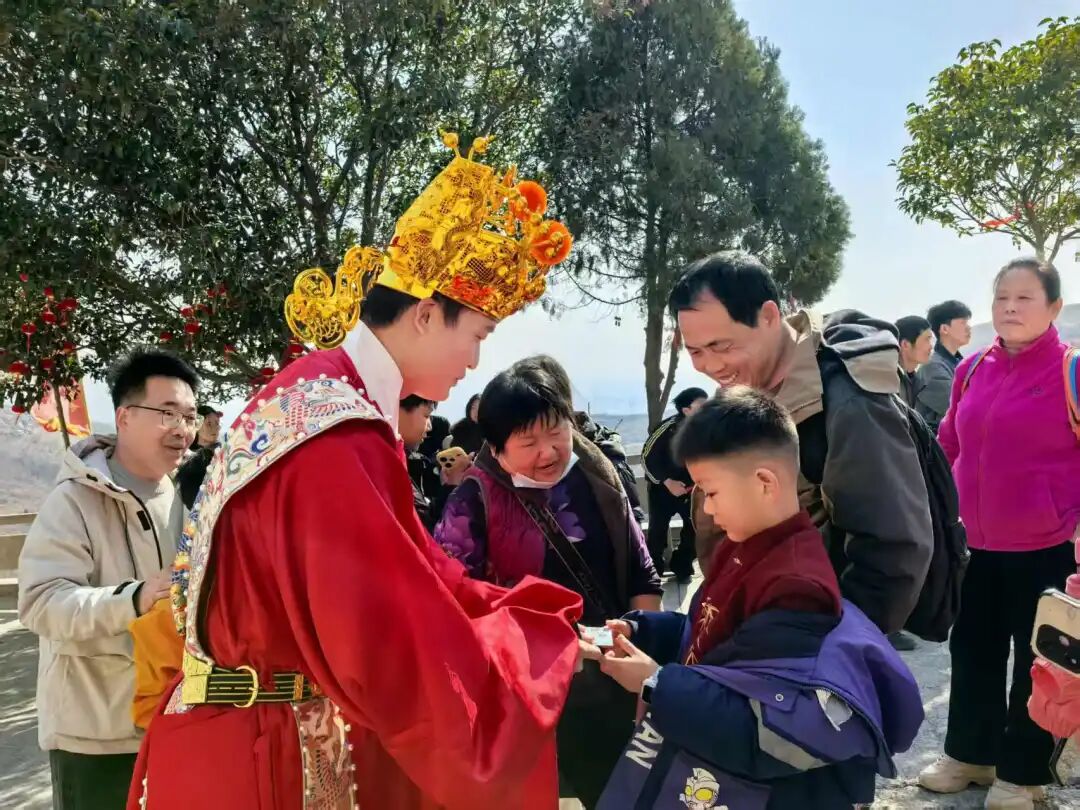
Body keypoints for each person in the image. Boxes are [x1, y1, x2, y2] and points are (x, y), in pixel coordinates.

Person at [127, 133, 592, 810]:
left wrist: (522, 614)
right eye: (478, 335)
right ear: (426, 315)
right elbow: (389, 642)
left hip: (238, 733)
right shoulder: (338, 431)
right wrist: (533, 655)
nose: (474, 362)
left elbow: (415, 569)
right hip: (265, 755)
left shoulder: (314, 393)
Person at [593, 387, 923, 809]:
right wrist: (641, 629)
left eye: (711, 492)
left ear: (764, 482)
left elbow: (755, 722)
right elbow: (711, 628)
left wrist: (656, 683)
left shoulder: (795, 584)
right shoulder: (745, 543)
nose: (707, 509)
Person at [435, 360, 662, 809]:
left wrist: (643, 655)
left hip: (615, 679)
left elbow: (641, 569)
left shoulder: (595, 475)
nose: (549, 452)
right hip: (531, 691)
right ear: (496, 448)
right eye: (528, 442)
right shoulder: (472, 502)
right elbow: (451, 602)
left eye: (556, 431)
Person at [669, 251, 933, 636]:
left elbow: (892, 550)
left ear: (768, 316)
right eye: (695, 352)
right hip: (758, 625)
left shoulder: (848, 401)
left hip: (810, 639)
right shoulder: (746, 383)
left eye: (722, 346)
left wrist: (829, 652)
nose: (710, 366)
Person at [918, 258, 1080, 810]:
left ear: (1054, 307)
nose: (1010, 307)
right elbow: (949, 444)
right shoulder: (971, 370)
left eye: (1024, 298)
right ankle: (970, 755)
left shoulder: (1070, 370)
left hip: (1049, 545)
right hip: (975, 545)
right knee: (973, 650)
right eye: (1001, 297)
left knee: (1040, 665)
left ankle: (1021, 774)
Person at [18, 348, 198, 810]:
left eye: (190, 416)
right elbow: (41, 602)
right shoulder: (75, 501)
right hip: (97, 736)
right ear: (124, 416)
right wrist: (134, 598)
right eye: (167, 413)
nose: (182, 429)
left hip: (177, 722)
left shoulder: (193, 497)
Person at [642, 387, 709, 582]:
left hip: (691, 490)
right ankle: (653, 574)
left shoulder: (707, 429)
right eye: (701, 406)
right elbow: (646, 458)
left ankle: (682, 567)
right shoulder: (667, 428)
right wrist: (667, 481)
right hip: (662, 489)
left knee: (694, 529)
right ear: (686, 410)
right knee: (657, 532)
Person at [401, 395, 469, 532]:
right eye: (426, 415)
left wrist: (450, 486)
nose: (429, 427)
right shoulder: (385, 465)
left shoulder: (406, 464)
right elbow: (425, 531)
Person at [915, 299, 972, 432]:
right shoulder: (932, 367)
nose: (968, 327)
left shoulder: (962, 363)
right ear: (944, 329)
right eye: (963, 323)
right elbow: (963, 408)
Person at [895, 315, 933, 408]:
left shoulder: (915, 380)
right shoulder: (889, 381)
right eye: (927, 339)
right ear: (905, 344)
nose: (931, 346)